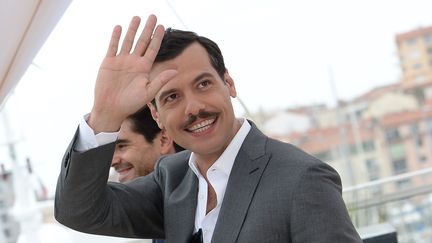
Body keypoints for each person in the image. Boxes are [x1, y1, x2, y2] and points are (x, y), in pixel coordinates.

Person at [55, 15, 362, 242]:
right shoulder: (171, 180)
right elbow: (78, 211)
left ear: (228, 83)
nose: (193, 108)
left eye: (203, 84)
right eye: (172, 97)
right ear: (157, 115)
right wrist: (104, 115)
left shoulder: (301, 179)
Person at [111, 106, 183, 183]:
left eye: (122, 146)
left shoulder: (195, 191)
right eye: (110, 151)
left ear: (163, 140)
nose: (113, 162)